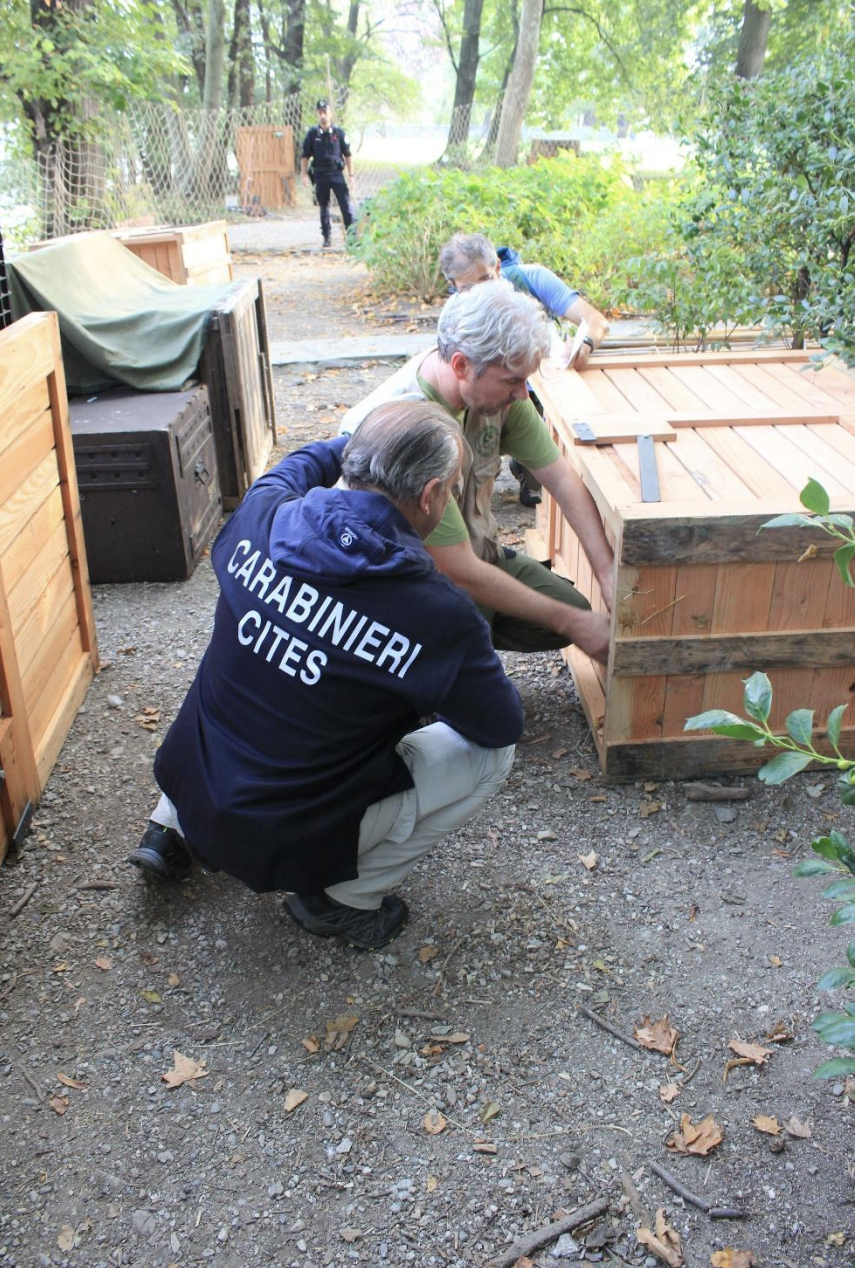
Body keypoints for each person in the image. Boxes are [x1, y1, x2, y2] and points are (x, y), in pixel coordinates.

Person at [127, 402, 522, 951]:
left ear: (354, 463)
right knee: (493, 759)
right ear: (431, 495)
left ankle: (170, 827)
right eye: (452, 488)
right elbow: (500, 724)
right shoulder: (439, 614)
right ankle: (342, 900)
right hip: (285, 839)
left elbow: (301, 462)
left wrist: (363, 449)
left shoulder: (263, 512)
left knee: (251, 663)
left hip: (192, 781)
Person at [340, 281, 614, 664]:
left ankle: (467, 643)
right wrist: (574, 623)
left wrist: (607, 573)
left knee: (566, 607)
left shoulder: (497, 392)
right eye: (513, 381)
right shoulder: (409, 427)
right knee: (549, 628)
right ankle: (436, 662)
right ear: (461, 365)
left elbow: (561, 479)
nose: (522, 394)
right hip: (416, 584)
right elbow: (457, 569)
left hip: (471, 558)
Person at [439, 232, 611, 505]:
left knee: (550, 466)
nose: (481, 294)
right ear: (453, 285)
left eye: (485, 280)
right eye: (468, 288)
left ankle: (525, 470)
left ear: (497, 266)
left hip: (544, 392)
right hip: (489, 399)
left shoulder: (531, 279)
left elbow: (596, 322)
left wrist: (584, 345)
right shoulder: (454, 315)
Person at [300, 98, 354, 249]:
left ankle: (352, 237)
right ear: (317, 114)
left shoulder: (338, 132)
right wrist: (304, 174)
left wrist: (351, 176)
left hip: (336, 173)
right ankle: (327, 237)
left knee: (345, 205)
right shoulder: (312, 134)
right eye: (320, 112)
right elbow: (305, 156)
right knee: (324, 207)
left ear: (330, 113)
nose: (323, 115)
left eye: (325, 112)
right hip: (320, 174)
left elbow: (348, 154)